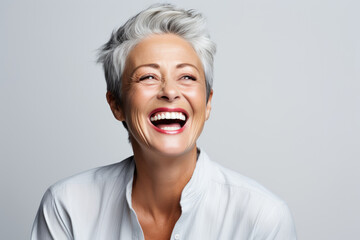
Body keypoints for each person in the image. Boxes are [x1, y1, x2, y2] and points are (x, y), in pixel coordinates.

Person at [31, 4, 296, 240]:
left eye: (187, 77)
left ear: (207, 103)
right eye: (148, 77)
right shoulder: (66, 207)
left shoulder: (262, 218)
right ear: (116, 104)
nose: (170, 91)